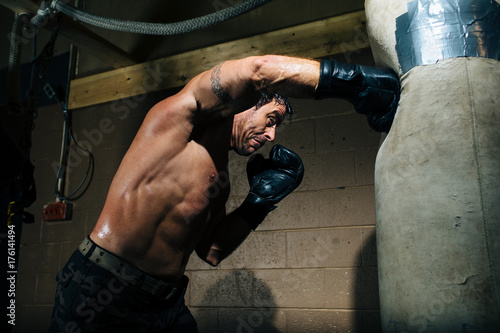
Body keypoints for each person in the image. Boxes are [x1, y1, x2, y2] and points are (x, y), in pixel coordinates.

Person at [48, 55, 399, 332]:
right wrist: (354, 83)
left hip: (165, 302)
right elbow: (259, 70)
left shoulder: (221, 181)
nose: (272, 135)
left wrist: (259, 202)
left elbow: (211, 251)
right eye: (271, 119)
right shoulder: (178, 119)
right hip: (102, 290)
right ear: (247, 103)